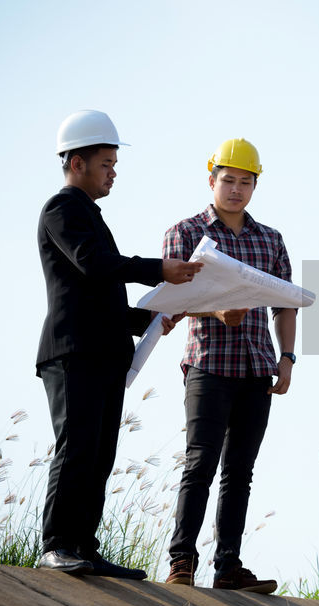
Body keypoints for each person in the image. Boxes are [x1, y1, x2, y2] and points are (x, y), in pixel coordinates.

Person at [35, 109, 203, 578]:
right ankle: (56, 546)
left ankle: (83, 547)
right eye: (106, 162)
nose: (113, 172)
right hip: (73, 353)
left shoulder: (88, 214)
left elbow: (98, 292)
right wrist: (159, 270)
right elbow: (93, 264)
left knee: (100, 453)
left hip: (103, 354)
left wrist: (151, 316)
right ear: (76, 163)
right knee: (77, 446)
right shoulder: (61, 209)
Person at [163, 138, 296, 594]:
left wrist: (287, 359)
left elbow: (285, 305)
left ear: (255, 185)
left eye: (245, 182)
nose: (236, 190)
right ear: (211, 179)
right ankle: (182, 562)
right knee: (200, 463)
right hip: (208, 366)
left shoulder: (270, 240)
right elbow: (171, 303)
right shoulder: (185, 233)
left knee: (240, 471)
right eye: (228, 180)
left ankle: (228, 568)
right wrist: (215, 311)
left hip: (257, 368)